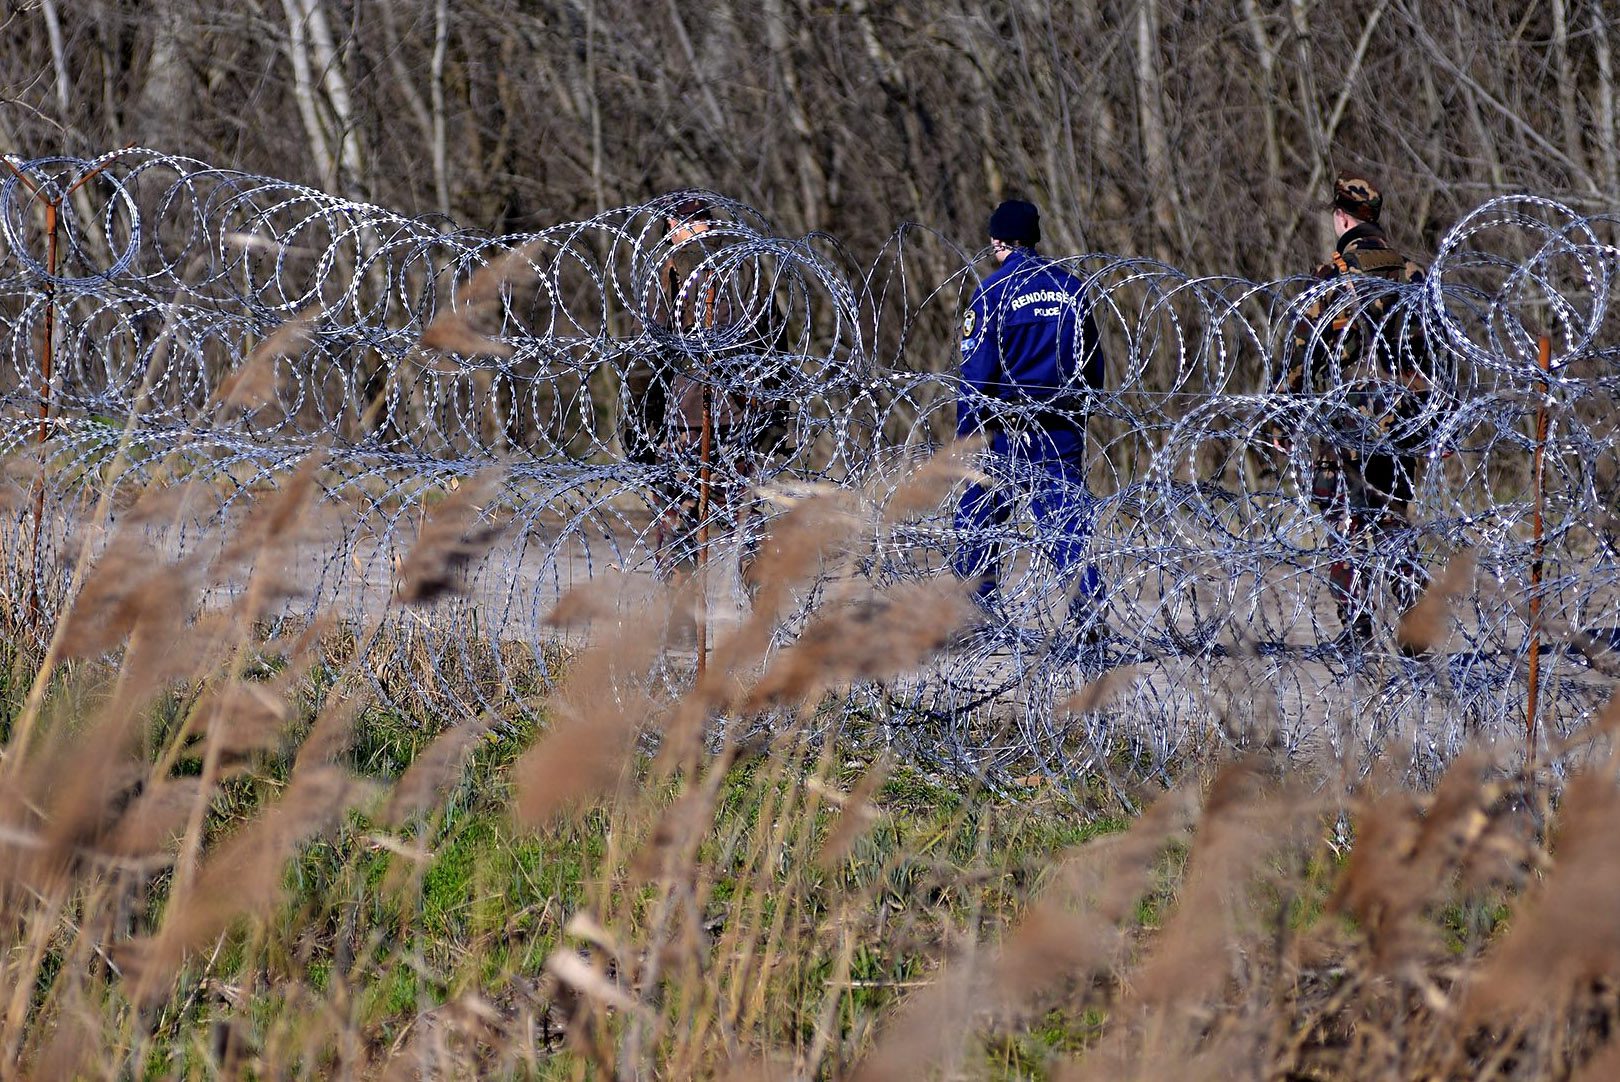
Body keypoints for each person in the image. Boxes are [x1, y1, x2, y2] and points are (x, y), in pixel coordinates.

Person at [1277, 172, 1436, 644]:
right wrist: (1440, 422)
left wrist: (1286, 416)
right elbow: (1435, 355)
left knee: (1343, 524)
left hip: (1344, 423)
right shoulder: (1412, 274)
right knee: (1392, 522)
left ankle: (1358, 627)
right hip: (1402, 420)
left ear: (1342, 217)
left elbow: (1302, 353)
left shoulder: (1331, 277)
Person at [951, 198, 1107, 644]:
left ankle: (977, 615)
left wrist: (967, 435)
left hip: (1005, 428)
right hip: (1060, 426)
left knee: (979, 518)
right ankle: (1089, 606)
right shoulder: (1072, 288)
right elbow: (1091, 365)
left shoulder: (992, 292)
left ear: (997, 240)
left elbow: (977, 372)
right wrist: (1080, 412)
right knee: (1065, 523)